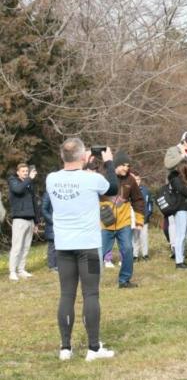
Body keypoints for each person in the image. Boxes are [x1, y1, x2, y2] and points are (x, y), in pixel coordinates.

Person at [47, 138, 118, 361]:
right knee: (91, 294)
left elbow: (74, 179)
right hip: (88, 245)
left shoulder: (51, 179)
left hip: (63, 246)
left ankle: (65, 348)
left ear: (62, 157)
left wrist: (83, 162)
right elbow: (113, 188)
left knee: (66, 294)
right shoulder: (93, 179)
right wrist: (109, 163)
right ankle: (93, 348)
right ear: (82, 156)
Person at [100, 152, 144, 288]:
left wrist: (139, 220)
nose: (126, 168)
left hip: (123, 223)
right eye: (123, 165)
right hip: (105, 223)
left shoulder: (131, 180)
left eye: (128, 166)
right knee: (98, 253)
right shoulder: (103, 177)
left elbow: (138, 200)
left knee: (127, 250)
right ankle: (90, 281)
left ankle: (124, 280)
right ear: (116, 165)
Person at [7, 162, 38, 281]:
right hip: (19, 220)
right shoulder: (13, 181)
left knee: (26, 247)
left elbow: (34, 202)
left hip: (30, 219)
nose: (25, 173)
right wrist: (29, 179)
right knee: (17, 246)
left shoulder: (29, 184)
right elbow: (18, 190)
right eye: (23, 171)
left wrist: (36, 221)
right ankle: (12, 271)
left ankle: (21, 269)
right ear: (18, 172)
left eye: (27, 171)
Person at [168, 160, 187, 269]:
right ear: (183, 169)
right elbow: (186, 192)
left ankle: (181, 258)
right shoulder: (176, 180)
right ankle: (179, 261)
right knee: (180, 236)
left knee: (185, 236)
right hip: (180, 210)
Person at [132, 172, 152, 262]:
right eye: (135, 180)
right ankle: (135, 255)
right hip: (134, 218)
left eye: (138, 179)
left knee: (144, 236)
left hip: (144, 218)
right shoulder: (130, 190)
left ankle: (145, 254)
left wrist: (149, 213)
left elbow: (150, 203)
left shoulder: (145, 190)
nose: (137, 181)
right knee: (135, 237)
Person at [41, 191, 57, 272]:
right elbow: (43, 209)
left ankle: (59, 264)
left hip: (62, 223)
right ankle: (52, 266)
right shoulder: (48, 193)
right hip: (52, 224)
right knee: (53, 245)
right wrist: (52, 220)